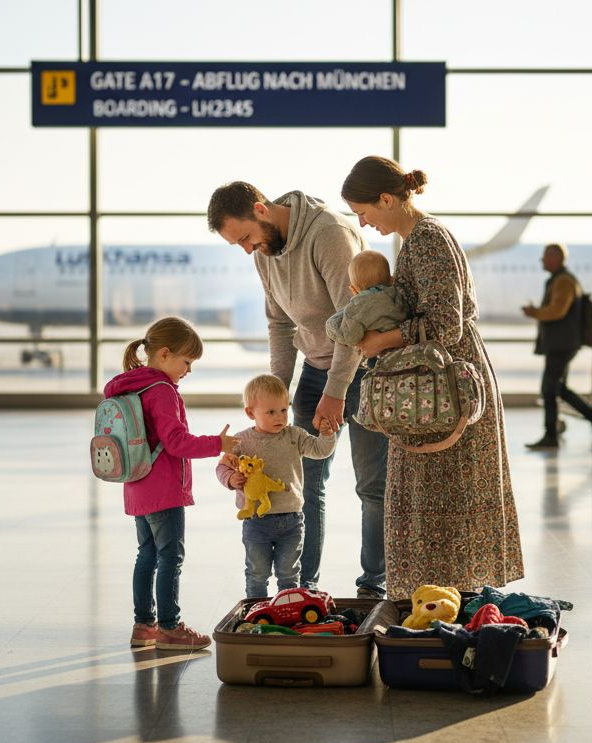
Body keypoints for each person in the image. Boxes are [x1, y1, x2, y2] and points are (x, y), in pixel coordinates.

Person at [341, 156, 524, 599]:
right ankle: (443, 599)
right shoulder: (419, 239)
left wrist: (383, 340)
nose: (364, 224)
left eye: (364, 212)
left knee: (444, 500)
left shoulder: (427, 240)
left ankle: (447, 603)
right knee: (435, 499)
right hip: (437, 387)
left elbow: (448, 325)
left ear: (387, 199)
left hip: (448, 388)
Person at [207, 181, 389, 599]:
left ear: (261, 210)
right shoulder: (265, 253)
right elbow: (280, 323)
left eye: (246, 237)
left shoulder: (329, 234)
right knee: (304, 478)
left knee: (371, 484)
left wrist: (337, 390)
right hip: (315, 365)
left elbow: (352, 321)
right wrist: (275, 392)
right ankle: (305, 587)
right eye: (238, 244)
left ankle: (372, 586)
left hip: (364, 365)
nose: (248, 250)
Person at [103, 317, 240, 650]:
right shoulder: (161, 390)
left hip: (137, 484)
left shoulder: (131, 384)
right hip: (163, 489)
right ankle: (169, 627)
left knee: (146, 555)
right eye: (187, 361)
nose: (188, 370)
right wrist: (218, 444)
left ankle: (143, 626)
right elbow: (176, 442)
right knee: (169, 558)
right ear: (164, 354)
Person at [216, 374, 338, 599]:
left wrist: (327, 435)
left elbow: (320, 450)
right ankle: (255, 612)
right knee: (257, 573)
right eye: (271, 412)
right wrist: (231, 479)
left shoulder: (294, 435)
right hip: (256, 521)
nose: (280, 417)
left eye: (284, 409)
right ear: (251, 413)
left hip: (292, 520)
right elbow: (222, 467)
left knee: (289, 574)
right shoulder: (241, 441)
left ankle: (287, 612)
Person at [520, 243, 592, 449]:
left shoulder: (563, 282)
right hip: (562, 343)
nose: (542, 261)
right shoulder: (560, 280)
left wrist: (534, 312)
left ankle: (552, 436)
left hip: (562, 344)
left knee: (549, 389)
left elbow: (557, 311)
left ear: (557, 259)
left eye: (546, 257)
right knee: (557, 388)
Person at [325, 249, 410, 345]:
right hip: (401, 346)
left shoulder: (356, 310)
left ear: (353, 289)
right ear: (391, 279)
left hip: (379, 353)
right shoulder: (399, 295)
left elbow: (349, 338)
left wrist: (331, 329)